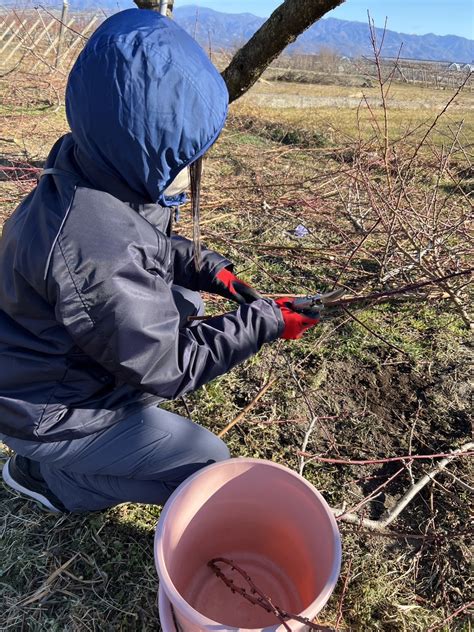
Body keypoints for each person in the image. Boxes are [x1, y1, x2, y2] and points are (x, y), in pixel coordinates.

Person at [0, 9, 318, 513]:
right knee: (206, 466)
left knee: (184, 299)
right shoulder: (93, 244)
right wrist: (265, 321)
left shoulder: (96, 165)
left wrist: (208, 266)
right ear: (147, 144)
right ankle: (49, 477)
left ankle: (75, 455)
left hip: (49, 363)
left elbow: (144, 242)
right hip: (48, 410)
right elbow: (169, 365)